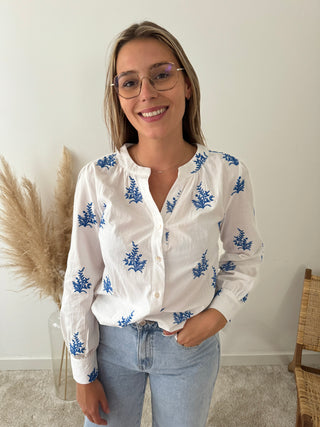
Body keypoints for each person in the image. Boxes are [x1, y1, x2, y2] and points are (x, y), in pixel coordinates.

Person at [61, 21, 263, 427]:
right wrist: (83, 370)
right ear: (118, 96)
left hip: (189, 349)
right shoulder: (98, 179)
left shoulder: (227, 175)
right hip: (112, 345)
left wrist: (216, 315)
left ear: (186, 82)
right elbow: (80, 278)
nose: (147, 93)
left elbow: (246, 257)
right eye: (129, 82)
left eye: (161, 74)